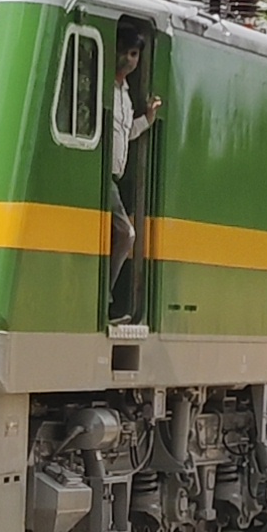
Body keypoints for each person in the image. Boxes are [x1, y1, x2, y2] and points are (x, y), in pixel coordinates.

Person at [109, 27, 160, 322]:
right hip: (105, 177)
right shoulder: (104, 88)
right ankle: (105, 298)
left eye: (134, 54)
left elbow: (125, 134)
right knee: (127, 235)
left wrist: (148, 120)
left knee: (124, 235)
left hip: (115, 178)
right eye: (125, 52)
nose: (129, 60)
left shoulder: (126, 96)